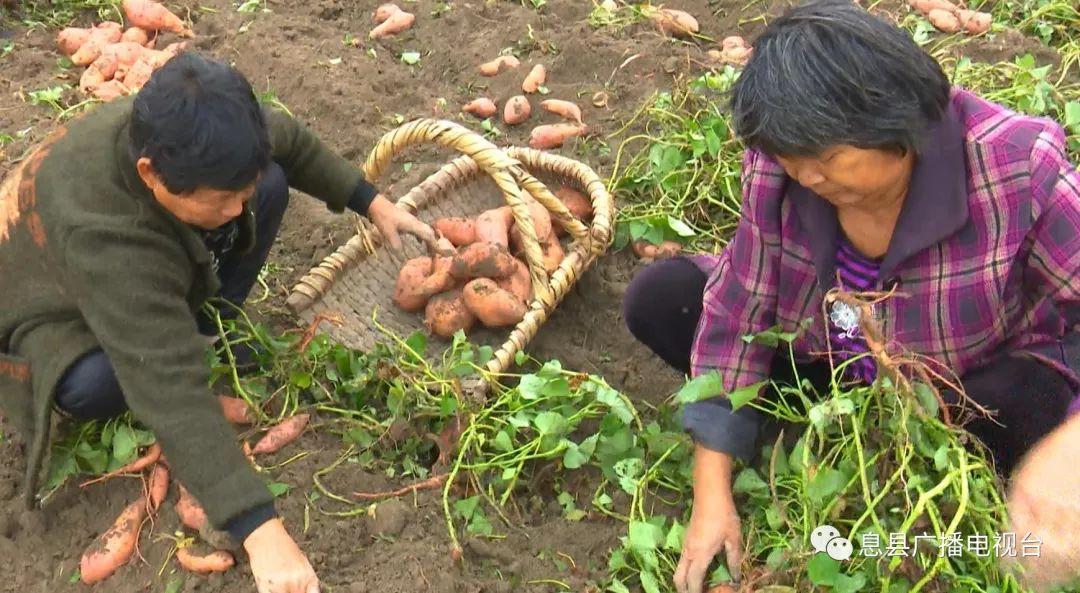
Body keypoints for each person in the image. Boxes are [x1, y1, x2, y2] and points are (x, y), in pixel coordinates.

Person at [621, 1, 1080, 592]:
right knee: (664, 298)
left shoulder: (1016, 166)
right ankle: (816, 430)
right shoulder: (779, 168)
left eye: (829, 160)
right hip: (834, 360)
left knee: (998, 408)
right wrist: (711, 496)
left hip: (965, 379)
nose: (809, 178)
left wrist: (1069, 446)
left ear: (897, 123)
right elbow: (737, 316)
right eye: (793, 159)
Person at [0, 51, 439, 593]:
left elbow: (290, 143)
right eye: (220, 200)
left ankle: (205, 326)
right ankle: (171, 337)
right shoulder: (108, 238)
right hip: (49, 317)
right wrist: (261, 529)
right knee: (95, 383)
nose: (236, 208)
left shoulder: (199, 134)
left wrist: (371, 202)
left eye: (237, 192)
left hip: (132, 277)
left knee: (271, 183)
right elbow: (168, 389)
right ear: (150, 174)